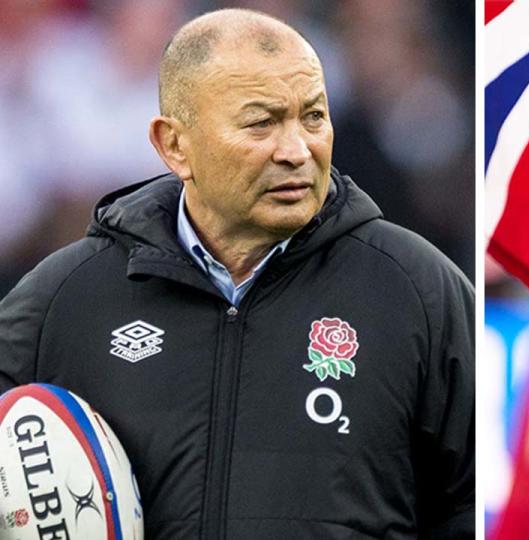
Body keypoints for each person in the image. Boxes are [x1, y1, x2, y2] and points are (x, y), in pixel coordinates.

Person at [0, 9, 474, 540]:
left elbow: (477, 504)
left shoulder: (418, 289)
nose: (297, 150)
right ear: (174, 145)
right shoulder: (65, 299)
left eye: (313, 117)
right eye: (261, 123)